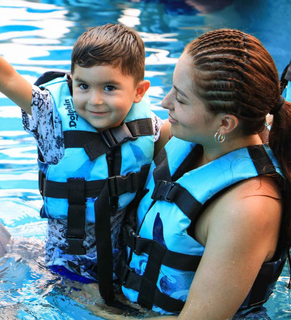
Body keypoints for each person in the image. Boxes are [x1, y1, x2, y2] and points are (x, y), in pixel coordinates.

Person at [0, 24, 170, 304]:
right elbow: (8, 79)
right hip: (68, 273)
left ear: (139, 91)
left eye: (109, 88)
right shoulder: (52, 119)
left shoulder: (149, 128)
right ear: (72, 82)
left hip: (126, 267)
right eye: (83, 86)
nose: (94, 100)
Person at [116, 28, 291, 319]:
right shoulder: (187, 139)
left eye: (181, 99)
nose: (164, 102)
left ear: (224, 123)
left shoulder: (249, 206)